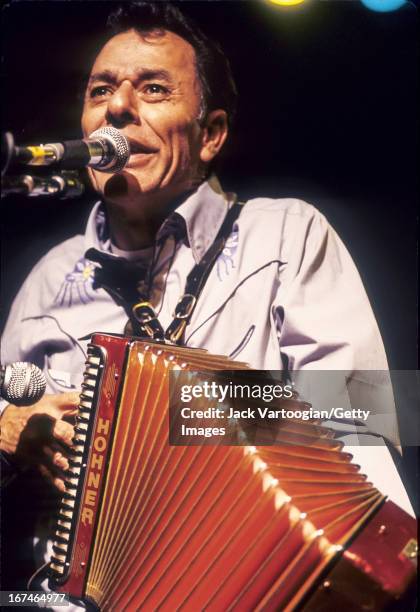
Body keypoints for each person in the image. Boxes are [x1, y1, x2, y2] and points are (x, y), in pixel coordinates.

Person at [0, 1, 412, 584]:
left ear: (211, 134)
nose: (118, 107)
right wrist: (9, 427)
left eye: (153, 89)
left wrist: (174, 411)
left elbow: (362, 418)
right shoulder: (48, 277)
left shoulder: (286, 233)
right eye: (100, 91)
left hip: (261, 580)